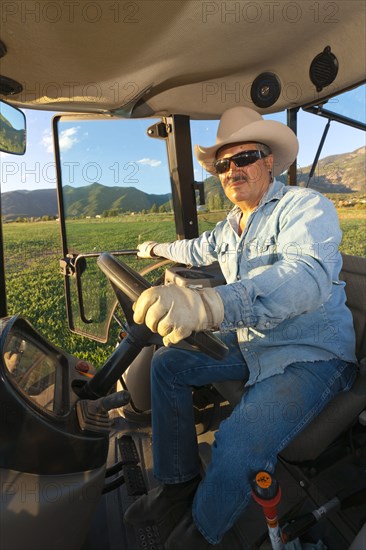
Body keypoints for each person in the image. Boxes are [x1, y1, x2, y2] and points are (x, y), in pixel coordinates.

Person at [124, 107, 357, 549]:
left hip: (312, 354)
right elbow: (195, 248)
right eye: (222, 165)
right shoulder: (229, 227)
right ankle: (177, 485)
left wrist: (211, 304)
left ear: (269, 161)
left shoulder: (305, 207)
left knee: (235, 441)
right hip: (255, 343)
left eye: (244, 158)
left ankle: (201, 534)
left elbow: (305, 275)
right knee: (167, 363)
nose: (232, 171)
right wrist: (150, 247)